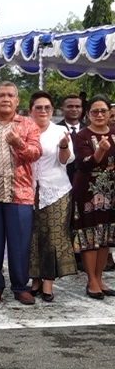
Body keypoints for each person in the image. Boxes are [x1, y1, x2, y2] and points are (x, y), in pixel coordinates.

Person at [0, 81, 42, 305]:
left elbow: (35, 153)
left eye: (10, 95)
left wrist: (18, 144)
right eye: (1, 95)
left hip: (19, 194)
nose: (5, 99)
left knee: (20, 244)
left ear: (17, 100)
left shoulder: (29, 125)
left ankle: (20, 287)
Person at [28, 92, 76, 301]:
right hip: (28, 190)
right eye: (38, 107)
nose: (43, 111)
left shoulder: (60, 131)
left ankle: (48, 282)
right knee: (32, 237)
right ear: (31, 110)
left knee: (54, 237)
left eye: (47, 107)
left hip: (57, 190)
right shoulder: (24, 130)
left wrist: (64, 145)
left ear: (52, 110)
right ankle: (35, 280)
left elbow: (65, 160)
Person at [70, 95, 115, 299]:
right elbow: (83, 163)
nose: (99, 114)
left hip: (111, 191)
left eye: (103, 111)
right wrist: (99, 152)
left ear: (109, 113)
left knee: (105, 235)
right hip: (88, 191)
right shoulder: (82, 135)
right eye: (95, 111)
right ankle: (91, 280)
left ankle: (100, 277)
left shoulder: (114, 132)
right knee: (89, 235)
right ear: (88, 114)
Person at [57, 94, 86, 183]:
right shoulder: (55, 130)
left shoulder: (88, 129)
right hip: (62, 179)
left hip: (84, 179)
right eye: (70, 106)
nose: (74, 109)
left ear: (82, 109)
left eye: (77, 106)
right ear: (62, 109)